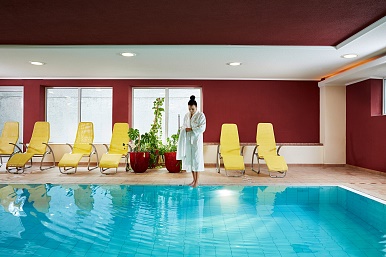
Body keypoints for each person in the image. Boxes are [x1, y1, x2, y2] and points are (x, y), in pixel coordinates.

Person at [176, 95, 206, 187]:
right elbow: (184, 126)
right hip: (188, 141)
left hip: (196, 141)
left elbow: (202, 128)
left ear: (196, 107)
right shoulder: (186, 116)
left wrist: (192, 129)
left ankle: (197, 182)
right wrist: (184, 129)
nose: (191, 111)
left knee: (196, 161)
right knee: (190, 161)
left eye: (192, 109)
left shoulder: (201, 115)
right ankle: (193, 180)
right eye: (189, 109)